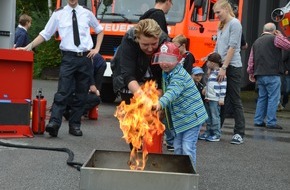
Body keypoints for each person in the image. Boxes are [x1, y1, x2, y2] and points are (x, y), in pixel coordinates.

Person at [18, 0, 104, 137]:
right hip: (68, 58)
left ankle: (75, 125)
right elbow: (45, 33)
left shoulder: (87, 13)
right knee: (62, 92)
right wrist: (28, 47)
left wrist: (97, 49)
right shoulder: (59, 14)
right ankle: (54, 124)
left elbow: (100, 30)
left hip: (85, 58)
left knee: (82, 94)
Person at [151, 42, 208, 167]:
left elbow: (172, 92)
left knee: (188, 147)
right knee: (177, 147)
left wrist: (160, 104)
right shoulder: (166, 73)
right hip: (181, 118)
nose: (164, 63)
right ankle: (180, 172)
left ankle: (189, 175)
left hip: (192, 117)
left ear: (177, 60)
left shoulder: (179, 75)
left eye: (169, 60)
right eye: (162, 59)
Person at [212, 0, 245, 144]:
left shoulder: (235, 23)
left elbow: (233, 47)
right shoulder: (222, 25)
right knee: (222, 100)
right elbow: (218, 46)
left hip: (232, 67)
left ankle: (239, 133)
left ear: (226, 9)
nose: (216, 15)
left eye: (218, 12)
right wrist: (212, 60)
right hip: (222, 66)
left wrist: (224, 67)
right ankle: (216, 129)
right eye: (215, 13)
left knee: (234, 99)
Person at [247, 23, 290, 129]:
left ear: (263, 29)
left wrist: (251, 72)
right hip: (272, 73)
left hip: (260, 74)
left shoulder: (256, 42)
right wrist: (280, 35)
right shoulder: (275, 39)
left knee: (262, 97)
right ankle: (271, 122)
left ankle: (258, 120)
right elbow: (288, 45)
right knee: (273, 98)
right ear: (274, 31)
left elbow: (251, 60)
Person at [63, 53, 106, 120]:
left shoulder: (99, 64)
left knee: (95, 97)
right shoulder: (83, 61)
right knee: (95, 98)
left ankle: (71, 111)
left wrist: (94, 89)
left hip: (75, 92)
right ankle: (74, 113)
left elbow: (96, 89)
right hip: (75, 92)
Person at [199, 53, 226, 142]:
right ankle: (208, 132)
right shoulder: (212, 73)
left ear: (213, 63)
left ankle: (216, 134)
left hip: (215, 98)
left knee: (215, 116)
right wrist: (206, 89)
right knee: (208, 116)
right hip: (209, 97)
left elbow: (223, 85)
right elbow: (210, 84)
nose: (207, 64)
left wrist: (222, 97)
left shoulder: (220, 73)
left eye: (208, 62)